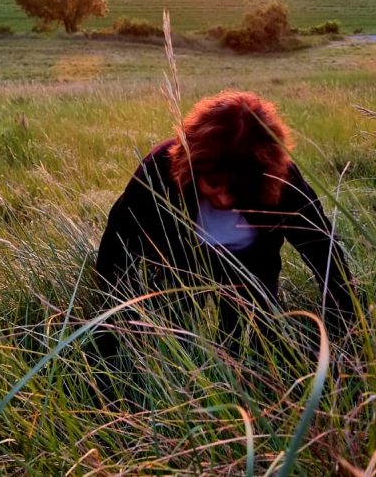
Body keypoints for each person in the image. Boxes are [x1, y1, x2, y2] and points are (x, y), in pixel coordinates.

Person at [93, 91, 357, 393]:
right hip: (180, 272)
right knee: (176, 347)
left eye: (238, 190)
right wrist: (117, 327)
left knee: (256, 351)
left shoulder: (280, 179)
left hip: (253, 272)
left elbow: (321, 247)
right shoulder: (159, 170)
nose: (224, 198)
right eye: (214, 185)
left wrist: (346, 326)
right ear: (193, 166)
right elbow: (118, 246)